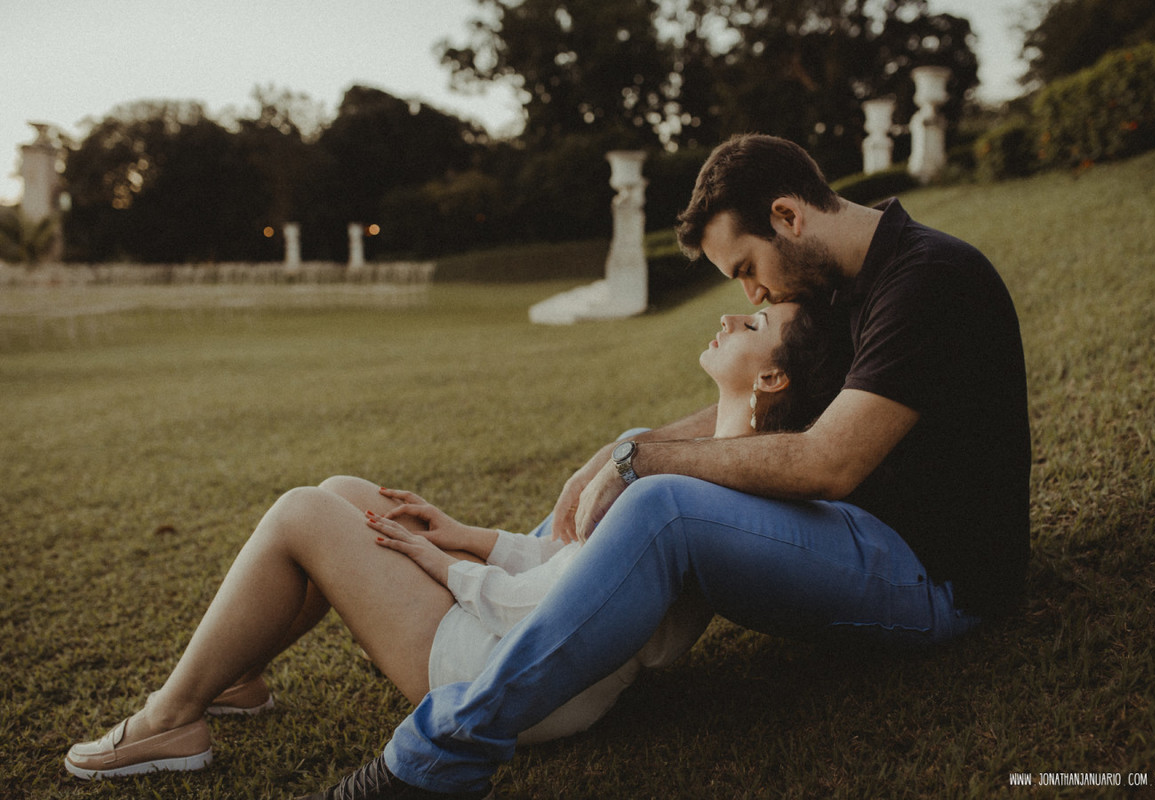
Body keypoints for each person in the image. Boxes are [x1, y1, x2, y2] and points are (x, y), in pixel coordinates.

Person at [299, 133, 1031, 800]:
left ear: (788, 216)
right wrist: (627, 447)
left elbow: (827, 461)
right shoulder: (839, 282)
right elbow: (771, 414)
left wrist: (642, 462)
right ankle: (519, 610)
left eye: (747, 269)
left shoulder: (927, 279)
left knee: (666, 503)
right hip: (853, 528)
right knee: (646, 459)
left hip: (932, 576)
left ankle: (439, 756)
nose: (752, 295)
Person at [63, 298, 844, 785]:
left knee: (304, 512)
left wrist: (446, 566)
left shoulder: (707, 489)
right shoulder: (706, 462)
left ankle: (172, 717)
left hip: (513, 676)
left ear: (771, 380)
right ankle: (238, 677)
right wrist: (467, 535)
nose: (729, 316)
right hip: (531, 644)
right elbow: (582, 565)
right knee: (345, 492)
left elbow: (561, 613)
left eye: (754, 324)